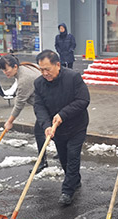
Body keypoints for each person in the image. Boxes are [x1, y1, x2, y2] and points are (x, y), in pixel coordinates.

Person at [33, 49, 90, 206]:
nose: (44, 73)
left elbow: (83, 100)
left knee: (72, 155)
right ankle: (74, 180)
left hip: (76, 125)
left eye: (47, 69)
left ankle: (67, 191)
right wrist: (46, 125)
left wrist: (63, 114)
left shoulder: (73, 78)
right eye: (41, 69)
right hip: (57, 129)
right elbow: (39, 106)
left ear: (57, 65)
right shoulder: (39, 83)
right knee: (64, 158)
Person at [0, 55, 46, 172]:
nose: (5, 73)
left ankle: (42, 162)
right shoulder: (24, 68)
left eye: (6, 69)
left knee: (40, 132)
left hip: (46, 107)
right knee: (47, 130)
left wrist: (10, 121)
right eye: (3, 70)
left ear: (15, 66)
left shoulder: (25, 79)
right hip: (45, 104)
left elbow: (19, 103)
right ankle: (58, 152)